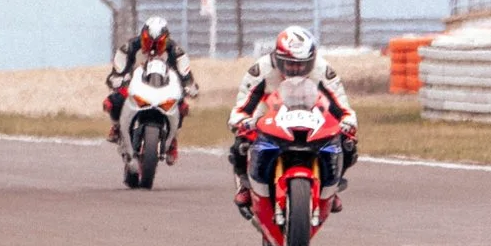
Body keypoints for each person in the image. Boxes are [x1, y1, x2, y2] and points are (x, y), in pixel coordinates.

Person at [227, 26, 357, 217]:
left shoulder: (323, 70)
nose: (296, 69)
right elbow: (243, 105)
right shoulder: (261, 69)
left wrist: (348, 123)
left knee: (347, 144)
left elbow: (341, 106)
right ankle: (245, 186)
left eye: (302, 64)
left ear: (312, 60)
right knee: (241, 143)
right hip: (268, 113)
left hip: (312, 113)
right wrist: (242, 121)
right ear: (277, 58)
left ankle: (331, 188)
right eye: (289, 64)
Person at [104, 16, 198, 148]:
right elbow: (119, 68)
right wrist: (117, 77)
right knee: (115, 100)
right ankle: (117, 126)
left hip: (165, 89)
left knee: (182, 106)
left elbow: (185, 73)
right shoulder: (129, 47)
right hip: (135, 86)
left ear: (166, 40)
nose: (153, 48)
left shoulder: (176, 51)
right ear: (142, 37)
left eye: (158, 43)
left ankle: (172, 137)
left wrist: (189, 85)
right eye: (148, 42)